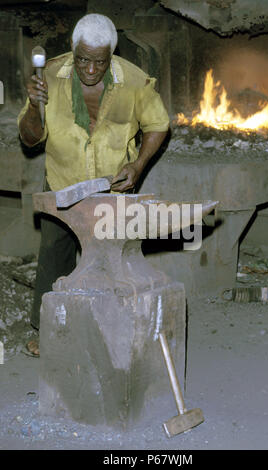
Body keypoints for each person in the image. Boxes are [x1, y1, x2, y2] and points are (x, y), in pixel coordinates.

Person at [18, 14, 169, 355]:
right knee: (54, 257)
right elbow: (29, 139)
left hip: (112, 187)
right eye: (83, 59)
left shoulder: (133, 81)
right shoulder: (50, 78)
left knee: (112, 261)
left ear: (111, 56)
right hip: (62, 182)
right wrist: (33, 106)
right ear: (73, 51)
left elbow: (159, 124)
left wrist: (138, 164)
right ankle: (48, 331)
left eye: (98, 62)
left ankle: (109, 329)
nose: (89, 69)